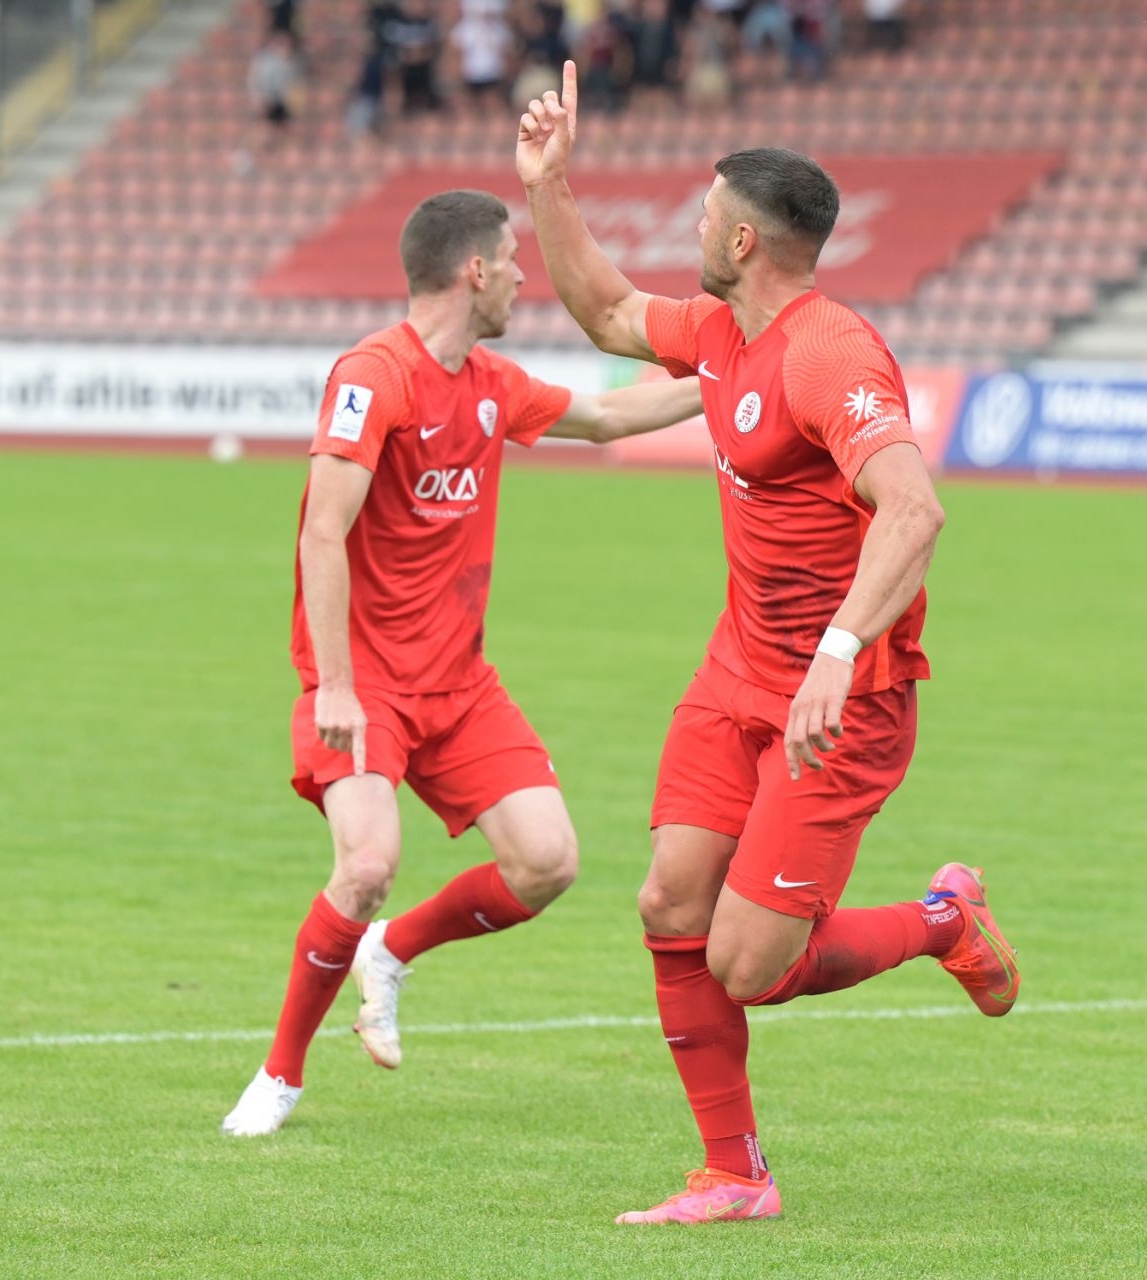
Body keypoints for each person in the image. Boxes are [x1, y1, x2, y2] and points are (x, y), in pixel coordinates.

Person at [517, 64, 1022, 1224]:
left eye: (704, 215)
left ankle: (946, 920)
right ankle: (735, 1173)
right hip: (737, 668)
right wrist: (549, 185)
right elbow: (607, 311)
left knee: (748, 963)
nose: (693, 229)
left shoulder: (828, 352)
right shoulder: (719, 330)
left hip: (842, 695)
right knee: (668, 901)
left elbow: (914, 510)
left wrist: (838, 650)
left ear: (743, 239)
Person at [221, 190, 705, 1137]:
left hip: (460, 685)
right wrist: (335, 685)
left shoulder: (491, 382)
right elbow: (322, 533)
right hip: (367, 686)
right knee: (366, 864)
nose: (525, 278)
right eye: (514, 261)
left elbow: (606, 417)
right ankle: (280, 1076)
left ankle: (390, 952)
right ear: (474, 271)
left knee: (548, 862)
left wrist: (728, 381)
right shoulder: (373, 377)